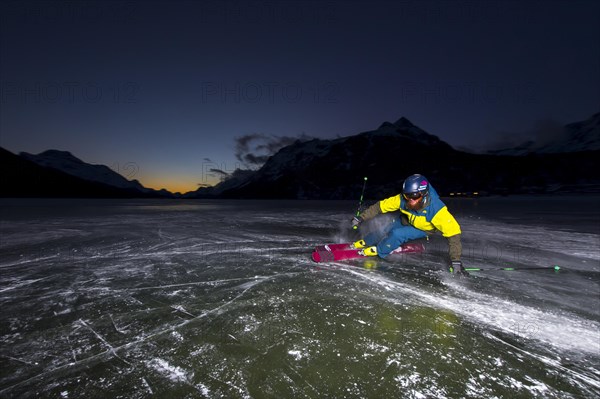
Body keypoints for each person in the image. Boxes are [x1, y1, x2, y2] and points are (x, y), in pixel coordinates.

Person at [351, 174, 466, 274]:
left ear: (424, 194)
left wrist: (456, 261)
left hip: (423, 229)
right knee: (386, 227)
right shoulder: (402, 200)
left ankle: (380, 250)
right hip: (406, 220)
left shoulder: (436, 209)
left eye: (415, 196)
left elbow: (453, 233)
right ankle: (367, 241)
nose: (410, 200)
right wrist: (361, 217)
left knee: (397, 234)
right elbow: (380, 206)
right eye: (407, 195)